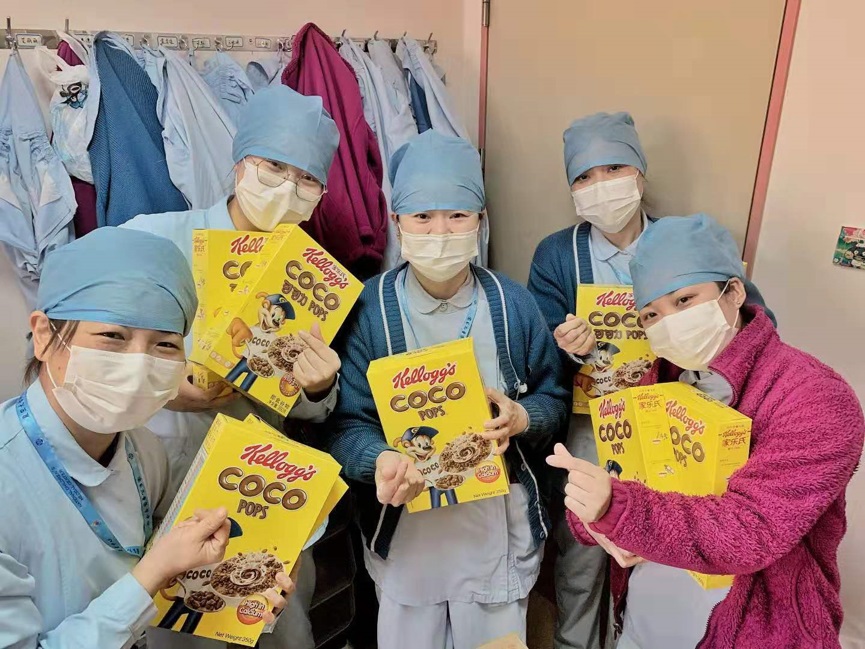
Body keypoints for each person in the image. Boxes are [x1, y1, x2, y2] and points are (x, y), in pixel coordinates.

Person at [547, 214, 865, 649]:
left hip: (753, 628)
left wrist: (617, 509)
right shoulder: (657, 381)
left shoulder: (814, 397)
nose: (669, 322)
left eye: (684, 300)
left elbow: (751, 530)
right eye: (651, 315)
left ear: (733, 292)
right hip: (645, 612)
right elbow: (620, 482)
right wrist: (593, 516)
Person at [527, 113, 772, 649]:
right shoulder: (557, 255)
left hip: (679, 418)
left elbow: (752, 321)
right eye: (584, 176)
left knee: (665, 542)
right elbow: (537, 356)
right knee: (583, 553)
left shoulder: (684, 241)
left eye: (614, 167)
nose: (601, 184)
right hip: (594, 421)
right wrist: (570, 346)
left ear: (639, 172)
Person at [0, 228, 294, 648]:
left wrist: (248, 592)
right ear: (45, 336)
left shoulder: (143, 449)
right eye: (112, 337)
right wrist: (151, 574)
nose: (139, 366)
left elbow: (179, 565)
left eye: (165, 345)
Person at [330, 130, 569, 648]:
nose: (440, 231)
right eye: (422, 216)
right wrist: (379, 460)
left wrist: (523, 418)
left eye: (458, 215)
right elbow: (346, 424)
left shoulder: (514, 306)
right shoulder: (368, 310)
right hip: (408, 532)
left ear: (480, 219)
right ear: (397, 221)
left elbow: (554, 399)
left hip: (495, 528)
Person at [123, 85, 341, 649]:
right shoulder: (153, 238)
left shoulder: (314, 279)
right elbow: (85, 349)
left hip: (263, 485)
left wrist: (319, 388)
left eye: (307, 178)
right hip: (163, 478)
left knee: (280, 623)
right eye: (274, 166)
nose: (287, 188)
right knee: (177, 627)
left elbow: (305, 408)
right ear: (240, 161)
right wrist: (166, 386)